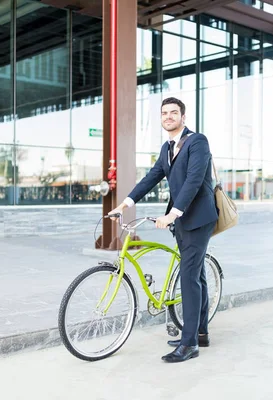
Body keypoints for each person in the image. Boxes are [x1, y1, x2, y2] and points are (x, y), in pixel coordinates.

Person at [108, 97, 218, 363]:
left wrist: (172, 214)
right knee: (198, 275)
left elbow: (193, 181)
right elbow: (151, 177)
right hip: (181, 220)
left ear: (183, 116)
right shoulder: (166, 148)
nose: (168, 116)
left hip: (197, 218)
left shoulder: (197, 141)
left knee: (189, 277)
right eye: (164, 113)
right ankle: (200, 332)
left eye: (174, 112)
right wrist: (126, 203)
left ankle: (189, 343)